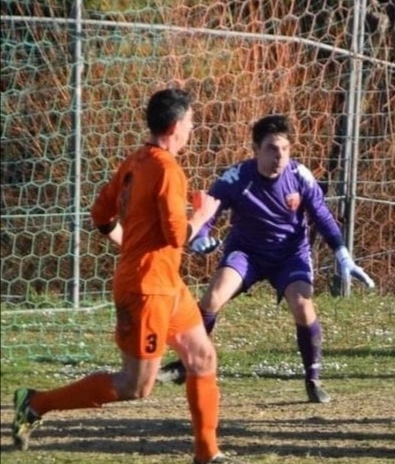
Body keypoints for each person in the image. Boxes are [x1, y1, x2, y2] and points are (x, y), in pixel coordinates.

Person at [11, 88, 234, 464]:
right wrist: (202, 215)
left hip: (166, 285)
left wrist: (131, 245)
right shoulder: (166, 169)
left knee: (202, 357)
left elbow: (100, 216)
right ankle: (35, 403)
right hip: (147, 291)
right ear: (177, 126)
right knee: (135, 386)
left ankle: (207, 454)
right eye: (192, 123)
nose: (193, 129)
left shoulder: (135, 161)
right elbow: (177, 237)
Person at [156, 114, 375, 404]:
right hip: (247, 253)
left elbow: (322, 215)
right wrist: (200, 237)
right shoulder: (235, 177)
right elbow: (209, 213)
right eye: (272, 148)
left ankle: (313, 378)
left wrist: (342, 254)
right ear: (256, 150)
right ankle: (186, 364)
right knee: (212, 299)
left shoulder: (300, 177)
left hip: (290, 255)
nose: (280, 156)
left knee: (302, 305)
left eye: (285, 149)